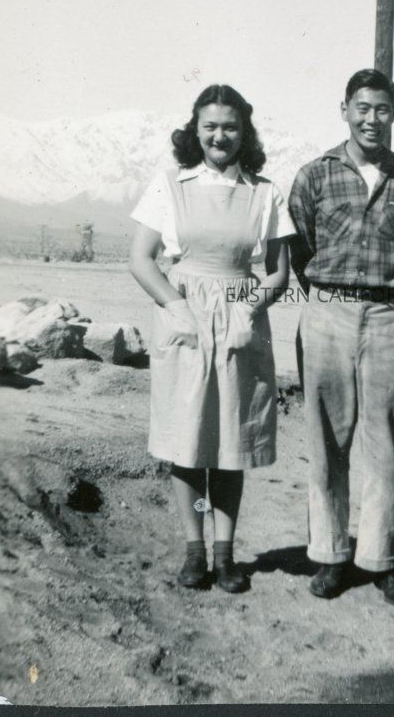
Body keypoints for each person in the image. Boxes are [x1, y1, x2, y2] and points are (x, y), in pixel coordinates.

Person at [129, 84, 295, 593]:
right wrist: (176, 308)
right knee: (188, 440)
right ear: (195, 130)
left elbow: (279, 272)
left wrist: (249, 308)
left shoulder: (265, 192)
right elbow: (141, 259)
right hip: (184, 320)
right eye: (210, 126)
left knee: (230, 439)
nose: (220, 136)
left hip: (241, 320)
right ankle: (194, 550)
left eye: (230, 127)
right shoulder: (170, 185)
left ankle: (225, 554)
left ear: (244, 132)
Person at [288, 68, 394, 607]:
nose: (372, 119)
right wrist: (330, 297)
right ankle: (329, 555)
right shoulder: (314, 175)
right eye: (362, 108)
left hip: (390, 316)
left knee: (386, 439)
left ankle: (382, 559)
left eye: (382, 109)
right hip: (327, 311)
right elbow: (301, 248)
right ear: (344, 109)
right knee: (326, 438)